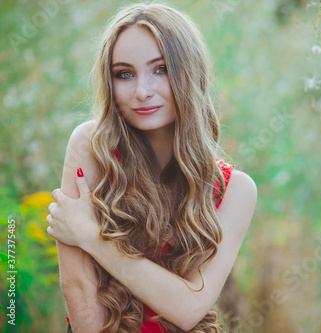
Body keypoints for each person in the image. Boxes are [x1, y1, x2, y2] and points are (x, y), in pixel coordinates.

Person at [45, 2, 257, 332]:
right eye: (124, 74)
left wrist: (91, 237)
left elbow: (188, 309)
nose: (142, 91)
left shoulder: (236, 191)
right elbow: (79, 290)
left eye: (160, 69)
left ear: (189, 74)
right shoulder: (91, 147)